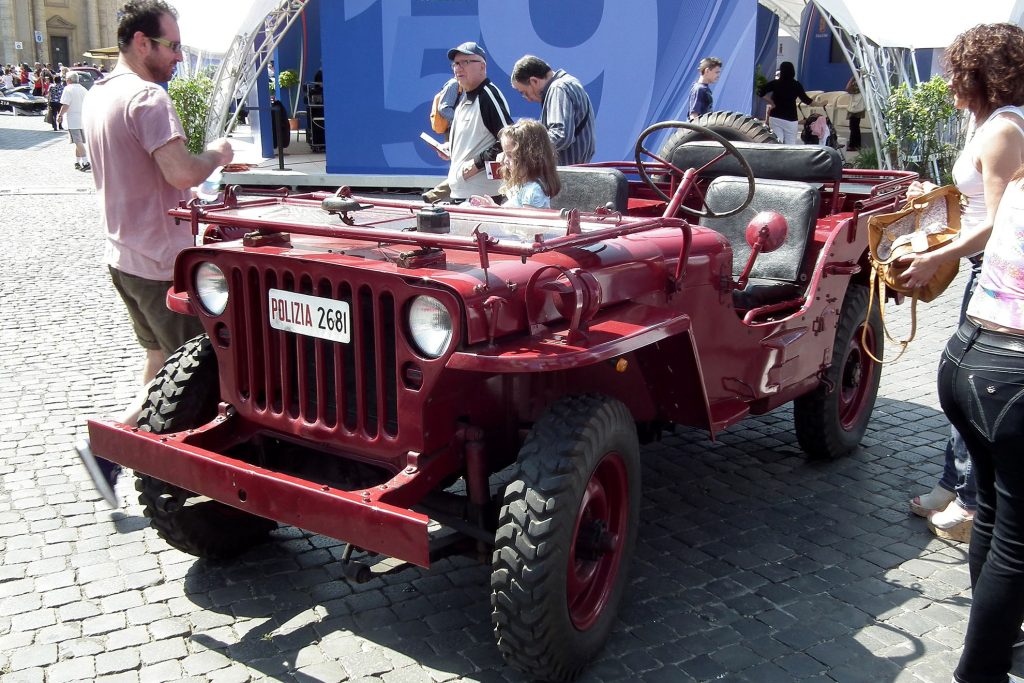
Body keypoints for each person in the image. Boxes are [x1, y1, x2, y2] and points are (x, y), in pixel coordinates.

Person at [74, 0, 233, 507]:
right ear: (141, 42)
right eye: (172, 46)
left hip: (123, 256)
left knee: (160, 364)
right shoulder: (147, 98)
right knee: (205, 380)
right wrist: (220, 155)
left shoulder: (100, 95)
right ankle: (157, 471)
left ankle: (111, 448)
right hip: (164, 263)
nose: (179, 58)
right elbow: (181, 173)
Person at [902, 22, 1024, 544]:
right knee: (963, 384)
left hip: (994, 275)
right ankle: (955, 485)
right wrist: (937, 193)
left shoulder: (1003, 130)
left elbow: (1000, 221)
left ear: (982, 75)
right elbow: (976, 199)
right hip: (982, 267)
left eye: (956, 73)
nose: (949, 83)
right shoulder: (990, 124)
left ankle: (974, 500)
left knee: (973, 388)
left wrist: (938, 258)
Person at [441, 41, 512, 203]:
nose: (458, 68)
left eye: (465, 62)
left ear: (482, 66)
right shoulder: (464, 97)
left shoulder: (488, 95)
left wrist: (475, 165)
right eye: (456, 63)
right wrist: (451, 148)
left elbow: (510, 140)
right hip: (462, 193)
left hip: (483, 197)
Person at [510, 55, 595, 166]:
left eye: (524, 93)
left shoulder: (558, 88)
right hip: (574, 173)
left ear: (534, 81)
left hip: (567, 176)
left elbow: (560, 135)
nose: (528, 99)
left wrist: (522, 151)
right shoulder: (568, 83)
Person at [470, 119, 561, 209]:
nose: (505, 160)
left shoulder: (533, 192)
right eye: (505, 154)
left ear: (530, 157)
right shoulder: (523, 186)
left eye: (510, 155)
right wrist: (495, 208)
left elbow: (524, 222)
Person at [422, 77, 460, 204]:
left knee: (460, 167)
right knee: (461, 167)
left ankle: (434, 195)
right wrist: (464, 120)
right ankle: (434, 195)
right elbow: (444, 108)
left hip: (458, 130)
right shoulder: (454, 84)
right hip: (455, 131)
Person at [757, 61, 812, 144]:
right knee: (790, 146)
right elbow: (806, 100)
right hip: (791, 118)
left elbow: (760, 92)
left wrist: (771, 102)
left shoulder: (775, 83)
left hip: (775, 117)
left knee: (777, 144)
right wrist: (820, 104)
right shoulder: (796, 85)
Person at [57, 71, 90, 171]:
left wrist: (60, 115)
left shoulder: (68, 89)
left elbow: (66, 105)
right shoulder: (83, 89)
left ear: (69, 80)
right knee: (79, 142)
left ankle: (85, 162)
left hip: (73, 119)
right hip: (83, 118)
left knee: (77, 141)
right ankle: (77, 161)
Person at [686, 57, 722, 121]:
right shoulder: (699, 89)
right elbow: (694, 115)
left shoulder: (704, 89)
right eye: (716, 72)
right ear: (707, 71)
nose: (718, 75)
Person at [845, 76, 864, 152]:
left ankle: (854, 145)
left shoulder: (859, 84)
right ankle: (856, 145)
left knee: (854, 126)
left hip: (856, 107)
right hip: (855, 106)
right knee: (854, 126)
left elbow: (848, 89)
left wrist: (851, 79)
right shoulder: (859, 83)